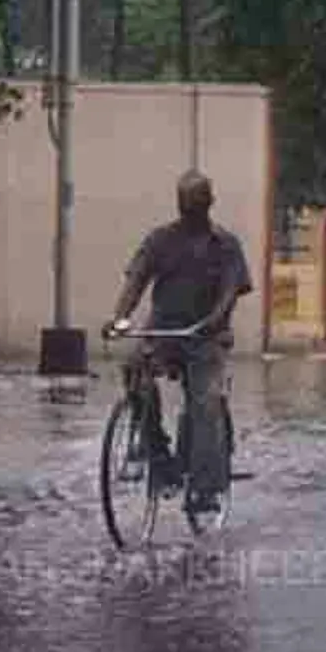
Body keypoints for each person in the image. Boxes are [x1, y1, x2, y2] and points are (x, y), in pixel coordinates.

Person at [107, 170, 252, 514]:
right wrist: (120, 318)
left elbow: (231, 291)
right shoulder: (160, 240)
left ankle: (205, 487)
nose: (191, 210)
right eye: (185, 203)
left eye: (198, 203)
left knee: (205, 402)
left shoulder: (226, 245)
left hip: (206, 335)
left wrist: (215, 320)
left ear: (209, 203)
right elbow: (136, 280)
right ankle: (159, 459)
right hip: (164, 331)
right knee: (134, 370)